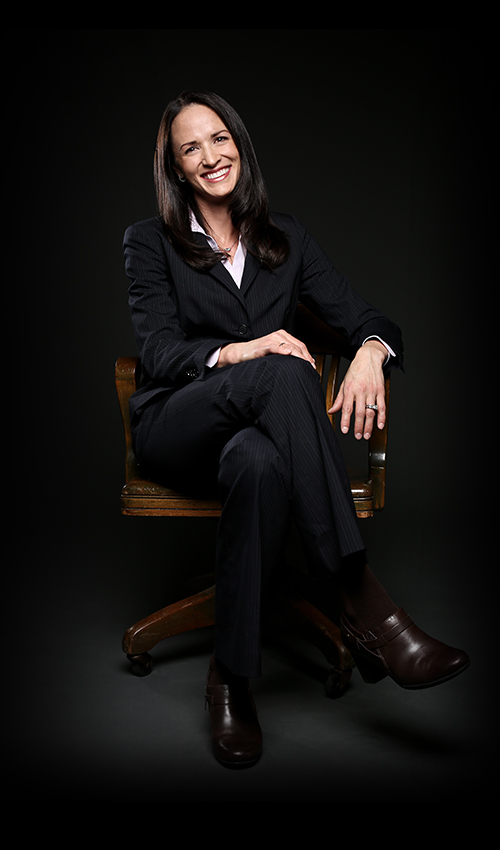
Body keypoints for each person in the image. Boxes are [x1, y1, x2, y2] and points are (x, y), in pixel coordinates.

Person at [123, 90, 469, 768]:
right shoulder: (149, 241)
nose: (210, 156)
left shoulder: (285, 238)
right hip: (179, 425)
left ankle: (230, 680)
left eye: (219, 138)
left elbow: (369, 318)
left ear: (238, 143)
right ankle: (366, 605)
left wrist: (370, 352)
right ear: (176, 168)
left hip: (254, 439)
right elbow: (158, 352)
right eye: (190, 148)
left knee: (257, 460)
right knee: (283, 370)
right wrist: (243, 350)